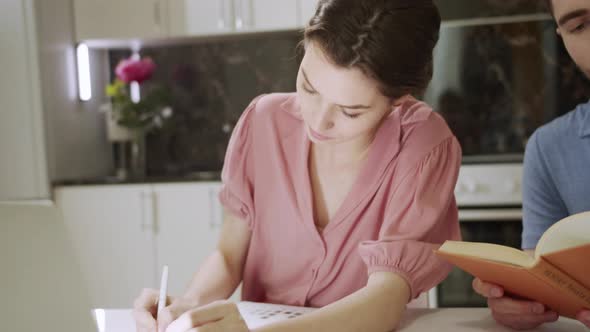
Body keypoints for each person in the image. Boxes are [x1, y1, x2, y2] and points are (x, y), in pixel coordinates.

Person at [134, 0, 462, 331]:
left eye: (350, 111)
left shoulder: (424, 144)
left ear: (400, 100)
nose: (318, 120)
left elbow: (386, 298)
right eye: (308, 86)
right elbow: (229, 255)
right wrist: (191, 305)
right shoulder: (263, 121)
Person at [472, 0, 590, 329]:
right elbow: (544, 276)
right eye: (580, 26)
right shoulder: (548, 147)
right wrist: (518, 298)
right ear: (562, 36)